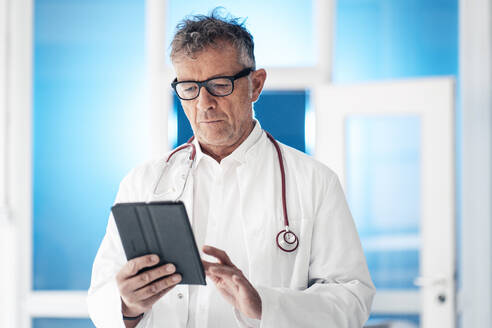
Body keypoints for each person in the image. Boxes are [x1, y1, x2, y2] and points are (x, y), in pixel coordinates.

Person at [87, 9, 375, 328]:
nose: (203, 103)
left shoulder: (314, 182)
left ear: (256, 84)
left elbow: (353, 299)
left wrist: (265, 305)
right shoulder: (143, 182)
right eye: (188, 88)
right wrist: (127, 304)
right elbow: (101, 291)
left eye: (219, 84)